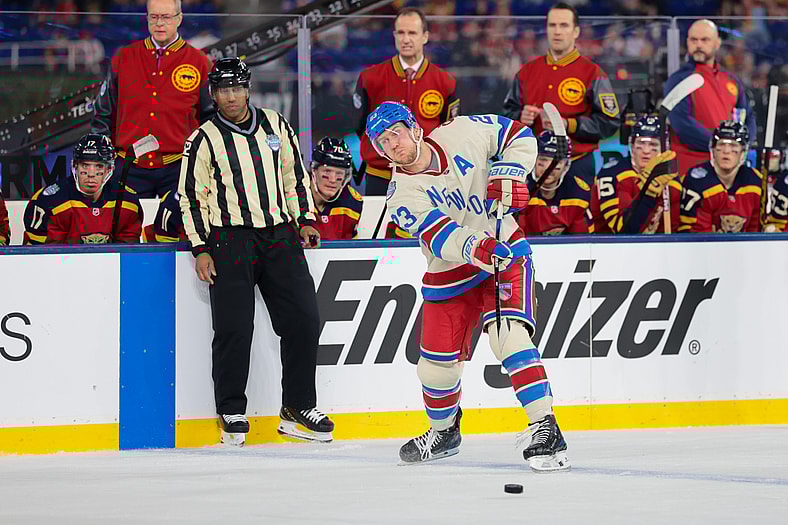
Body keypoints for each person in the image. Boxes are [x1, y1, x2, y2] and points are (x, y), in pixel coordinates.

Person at [365, 102, 569, 471]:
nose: (392, 144)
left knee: (509, 338)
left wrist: (509, 174)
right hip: (451, 271)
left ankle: (545, 426)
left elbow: (517, 134)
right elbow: (440, 236)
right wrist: (477, 246)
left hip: (505, 255)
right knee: (435, 370)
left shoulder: (462, 131)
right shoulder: (401, 195)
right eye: (382, 141)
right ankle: (444, 433)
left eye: (395, 132)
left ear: (414, 127)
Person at [178, 57, 334, 446]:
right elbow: (190, 197)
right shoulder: (203, 138)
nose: (230, 96)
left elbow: (294, 176)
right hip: (229, 239)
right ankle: (231, 408)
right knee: (233, 327)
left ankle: (298, 407)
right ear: (213, 94)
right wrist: (200, 247)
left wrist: (306, 219)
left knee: (303, 320)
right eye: (223, 90)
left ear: (248, 88)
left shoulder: (276, 125)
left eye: (236, 88)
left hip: (280, 235)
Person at [92, 0, 214, 199]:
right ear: (147, 18)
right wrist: (106, 157)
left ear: (179, 19)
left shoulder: (199, 61)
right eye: (154, 17)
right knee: (125, 229)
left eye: (166, 17)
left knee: (175, 229)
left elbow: (209, 118)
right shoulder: (124, 56)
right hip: (129, 166)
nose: (159, 23)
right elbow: (104, 112)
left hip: (179, 167)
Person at [501, 2, 620, 186]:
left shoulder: (593, 74)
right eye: (552, 25)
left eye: (564, 25)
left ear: (576, 32)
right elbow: (507, 114)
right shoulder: (526, 72)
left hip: (577, 163)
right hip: (533, 162)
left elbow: (609, 123)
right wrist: (520, 116)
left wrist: (568, 124)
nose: (557, 31)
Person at [353, 7, 459, 199]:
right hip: (380, 174)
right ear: (394, 35)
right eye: (401, 33)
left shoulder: (445, 82)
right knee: (376, 229)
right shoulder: (370, 78)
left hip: (427, 175)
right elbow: (361, 126)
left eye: (412, 33)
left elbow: (449, 131)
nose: (406, 39)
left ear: (425, 36)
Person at [663, 19, 756, 176]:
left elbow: (748, 116)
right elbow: (682, 125)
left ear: (717, 43)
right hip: (692, 170)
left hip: (729, 170)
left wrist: (742, 145)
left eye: (704, 40)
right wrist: (721, 146)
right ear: (687, 42)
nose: (698, 45)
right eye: (694, 40)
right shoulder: (678, 80)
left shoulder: (731, 80)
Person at [22, 134, 142, 245]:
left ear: (109, 170)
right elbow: (40, 258)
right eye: (85, 165)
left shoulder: (128, 202)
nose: (91, 174)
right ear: (75, 166)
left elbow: (128, 255)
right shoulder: (49, 202)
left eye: (99, 166)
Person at [591, 115, 681, 234]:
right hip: (606, 247)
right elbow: (623, 230)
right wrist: (649, 193)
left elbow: (673, 231)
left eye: (653, 145)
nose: (646, 151)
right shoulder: (613, 175)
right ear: (631, 146)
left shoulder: (671, 181)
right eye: (640, 143)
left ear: (664, 148)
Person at [679, 121, 762, 233]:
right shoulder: (696, 181)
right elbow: (695, 236)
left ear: (743, 153)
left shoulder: (755, 181)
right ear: (713, 150)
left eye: (733, 146)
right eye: (721, 145)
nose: (726, 151)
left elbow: (755, 231)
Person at [517, 131, 593, 235]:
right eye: (543, 160)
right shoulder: (518, 188)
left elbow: (582, 242)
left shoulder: (578, 192)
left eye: (556, 162)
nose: (549, 167)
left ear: (566, 165)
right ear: (534, 160)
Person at [309, 137, 364, 240]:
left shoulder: (352, 203)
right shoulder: (294, 197)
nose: (333, 180)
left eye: (339, 173)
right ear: (314, 171)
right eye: (327, 171)